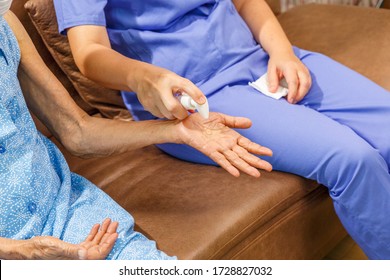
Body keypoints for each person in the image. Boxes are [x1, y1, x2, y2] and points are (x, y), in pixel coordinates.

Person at [53, 0, 390, 259]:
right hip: (195, 100)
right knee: (352, 160)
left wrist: (282, 52)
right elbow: (88, 52)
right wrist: (145, 78)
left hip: (258, 59)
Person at [0, 1, 273, 260]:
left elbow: (77, 131)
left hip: (72, 213)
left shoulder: (6, 22)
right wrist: (22, 252)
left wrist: (177, 131)